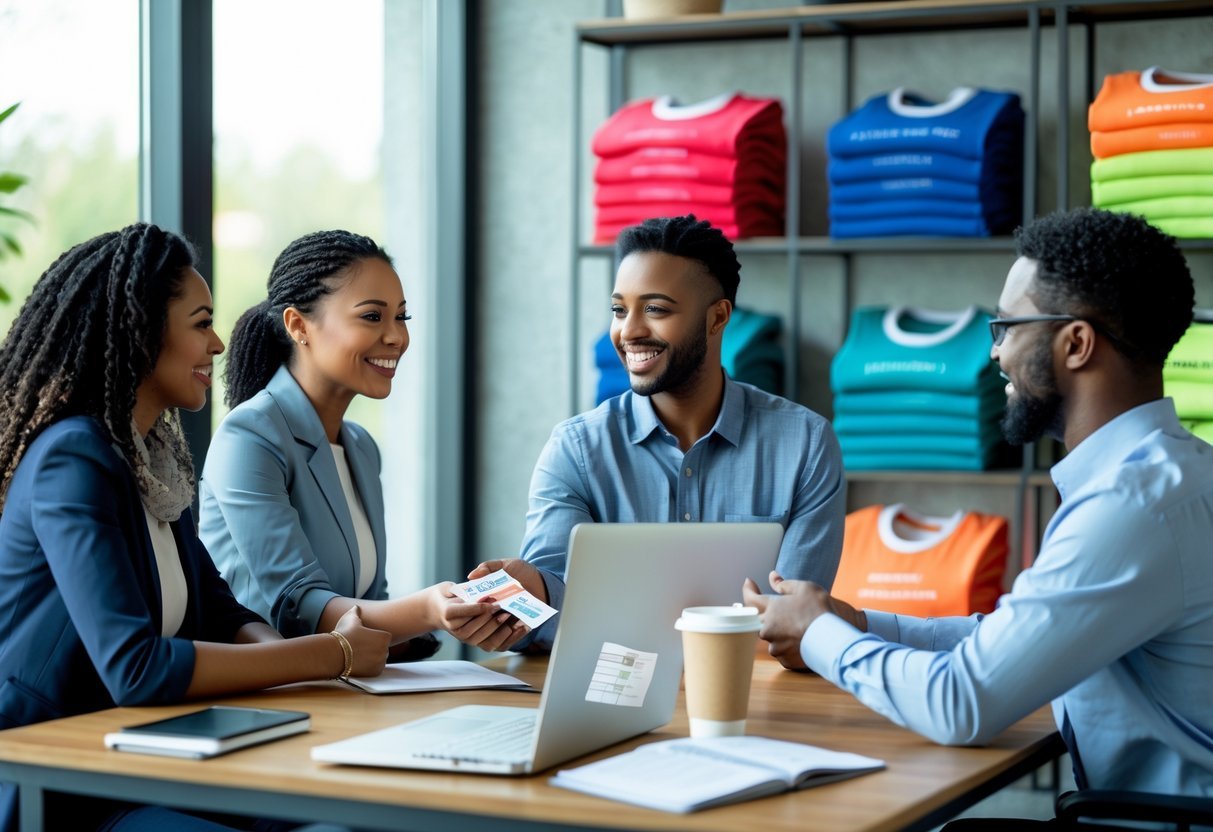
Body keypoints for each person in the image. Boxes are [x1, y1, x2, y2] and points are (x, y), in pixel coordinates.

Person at [743, 207, 1213, 801]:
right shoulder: (1176, 474)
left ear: (1076, 343)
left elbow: (959, 703)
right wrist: (857, 624)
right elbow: (1008, 640)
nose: (995, 354)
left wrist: (816, 633)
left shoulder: (1131, 509)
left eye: (1007, 327)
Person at [0, 223, 390, 832]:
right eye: (201, 322)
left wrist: (298, 660)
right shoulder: (72, 457)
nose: (218, 343)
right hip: (59, 782)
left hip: (145, 753)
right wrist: (328, 654)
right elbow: (137, 668)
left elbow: (220, 609)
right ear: (141, 329)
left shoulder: (153, 455)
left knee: (355, 817)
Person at [473, 214, 847, 651]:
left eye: (655, 309)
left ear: (717, 318)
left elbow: (794, 624)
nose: (628, 331)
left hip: (753, 702)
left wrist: (605, 617)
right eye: (619, 309)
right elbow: (545, 608)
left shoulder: (806, 445)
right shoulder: (575, 450)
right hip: (606, 698)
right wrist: (527, 596)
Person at [199, 230, 523, 656]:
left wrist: (465, 610)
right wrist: (429, 609)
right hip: (265, 695)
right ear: (299, 325)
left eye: (401, 318)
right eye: (373, 317)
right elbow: (301, 609)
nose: (397, 338)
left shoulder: (360, 447)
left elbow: (367, 602)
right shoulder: (250, 436)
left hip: (341, 688)